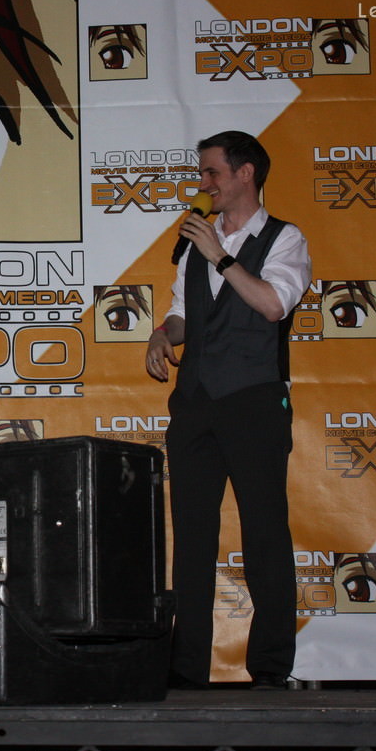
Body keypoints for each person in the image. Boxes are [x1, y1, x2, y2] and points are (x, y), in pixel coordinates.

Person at [145, 131, 311, 690]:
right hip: (195, 402)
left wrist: (220, 254)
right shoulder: (199, 239)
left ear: (245, 174)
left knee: (265, 532)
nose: (204, 183)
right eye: (202, 173)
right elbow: (183, 313)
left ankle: (271, 667)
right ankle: (186, 667)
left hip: (254, 400)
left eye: (212, 172)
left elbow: (273, 303)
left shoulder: (285, 238)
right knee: (193, 536)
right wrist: (162, 333)